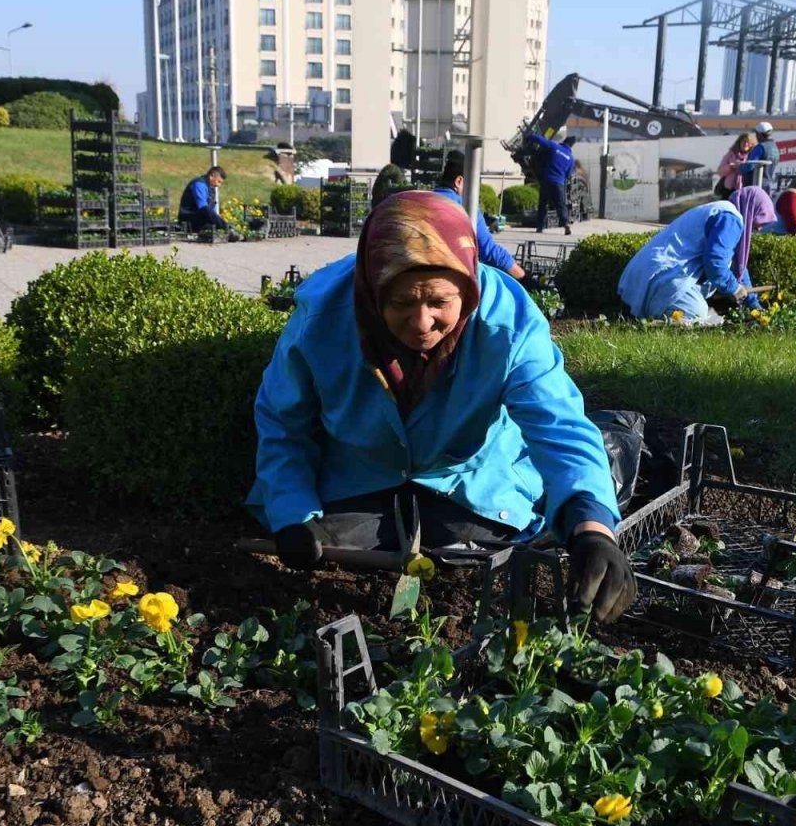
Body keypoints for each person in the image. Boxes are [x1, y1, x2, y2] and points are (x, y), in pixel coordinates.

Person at [248, 191, 634, 622]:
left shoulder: (507, 322)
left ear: (467, 289)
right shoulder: (322, 317)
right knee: (337, 554)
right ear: (372, 287)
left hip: (468, 474)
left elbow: (558, 424)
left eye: (438, 302)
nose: (421, 324)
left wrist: (593, 529)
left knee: (471, 553)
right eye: (400, 303)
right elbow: (284, 420)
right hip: (360, 470)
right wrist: (292, 513)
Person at [617, 186, 775, 324]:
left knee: (702, 312)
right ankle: (658, 317)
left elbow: (738, 268)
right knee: (697, 312)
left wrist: (755, 308)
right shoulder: (731, 218)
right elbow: (716, 262)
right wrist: (733, 288)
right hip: (660, 277)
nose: (760, 228)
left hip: (649, 274)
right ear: (751, 209)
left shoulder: (723, 211)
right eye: (761, 218)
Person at [432, 152, 527, 280]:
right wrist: (523, 277)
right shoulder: (465, 208)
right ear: (459, 181)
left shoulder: (422, 200)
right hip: (450, 279)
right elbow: (489, 251)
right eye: (472, 184)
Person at [527, 133, 576, 235]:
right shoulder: (571, 159)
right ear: (571, 146)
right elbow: (568, 174)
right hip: (559, 183)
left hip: (547, 180)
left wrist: (530, 135)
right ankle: (566, 224)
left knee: (543, 204)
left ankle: (539, 227)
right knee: (561, 205)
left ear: (564, 141)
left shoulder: (555, 147)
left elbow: (541, 140)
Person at [178, 166, 241, 241]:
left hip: (200, 217)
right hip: (188, 218)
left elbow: (211, 210)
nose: (219, 185)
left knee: (211, 213)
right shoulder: (199, 184)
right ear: (211, 176)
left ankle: (228, 230)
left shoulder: (210, 188)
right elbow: (202, 207)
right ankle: (228, 229)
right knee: (206, 210)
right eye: (219, 181)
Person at [741, 122, 780, 192]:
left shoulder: (760, 147)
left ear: (759, 134)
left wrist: (739, 166)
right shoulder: (775, 148)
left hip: (754, 187)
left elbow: (750, 166)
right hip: (767, 187)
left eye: (756, 134)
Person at [715, 133, 755, 200]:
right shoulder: (731, 154)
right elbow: (720, 171)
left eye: (748, 142)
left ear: (752, 144)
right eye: (744, 141)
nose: (745, 144)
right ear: (739, 142)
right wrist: (731, 167)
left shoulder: (753, 156)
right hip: (728, 190)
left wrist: (742, 166)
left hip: (744, 190)